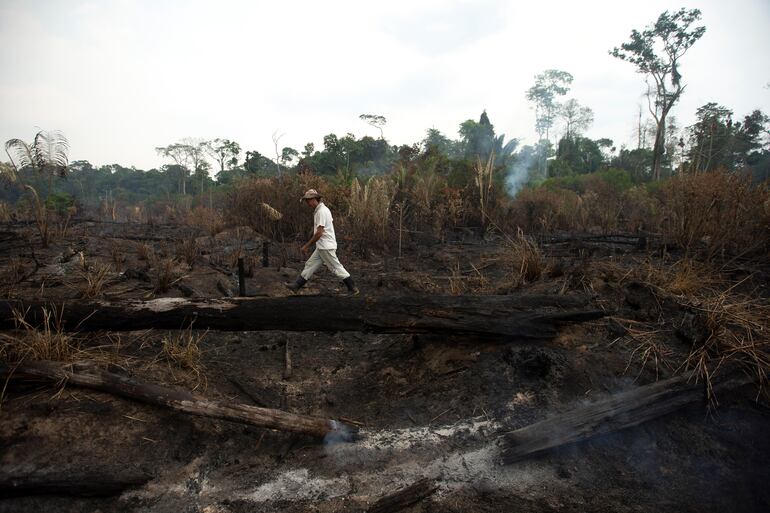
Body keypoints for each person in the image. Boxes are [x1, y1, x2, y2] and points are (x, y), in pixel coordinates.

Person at [285, 189, 359, 295]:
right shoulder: (321, 210)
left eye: (308, 200)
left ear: (315, 199)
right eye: (306, 200)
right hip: (322, 246)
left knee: (336, 267)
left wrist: (307, 246)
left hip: (326, 246)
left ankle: (352, 288)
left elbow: (319, 233)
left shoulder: (321, 211)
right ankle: (296, 286)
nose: (307, 203)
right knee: (310, 264)